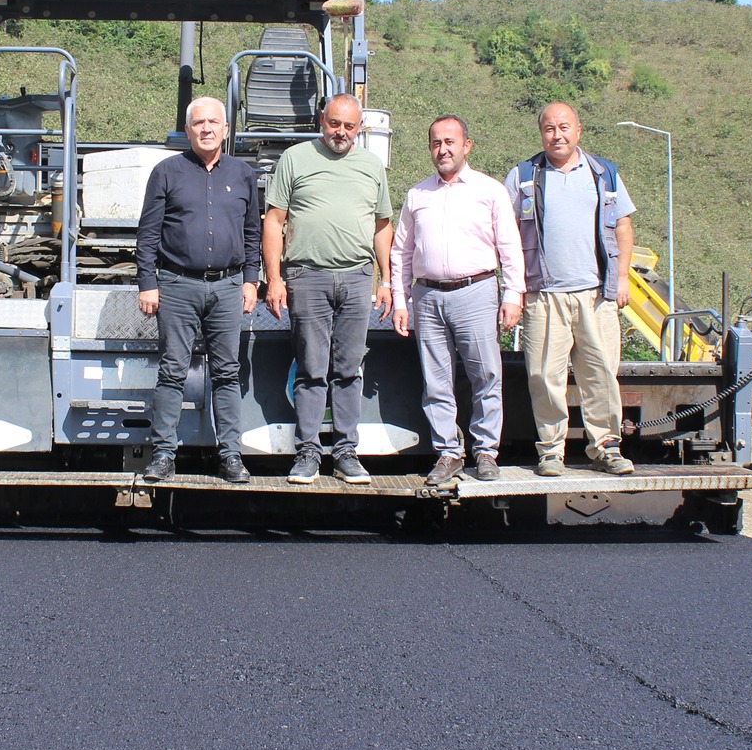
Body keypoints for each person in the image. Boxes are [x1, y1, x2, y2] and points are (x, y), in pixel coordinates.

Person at [262, 94, 395, 485]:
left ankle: (346, 453)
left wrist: (386, 280)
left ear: (360, 128)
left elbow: (382, 225)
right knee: (310, 369)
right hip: (308, 277)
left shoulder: (371, 166)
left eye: (349, 126)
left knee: (348, 370)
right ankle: (307, 453)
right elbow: (274, 221)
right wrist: (275, 278)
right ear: (323, 120)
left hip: (357, 279)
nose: (340, 132)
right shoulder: (296, 158)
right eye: (334, 123)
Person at [502, 102, 637, 477]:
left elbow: (623, 227)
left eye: (564, 127)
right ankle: (550, 451)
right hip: (543, 297)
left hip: (595, 295)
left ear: (578, 130)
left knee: (601, 374)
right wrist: (514, 289)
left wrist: (622, 277)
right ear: (540, 133)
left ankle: (606, 447)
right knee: (545, 376)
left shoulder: (603, 173)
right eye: (549, 128)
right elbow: (504, 230)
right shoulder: (524, 175)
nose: (557, 135)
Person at [391, 115, 525, 486]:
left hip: (476, 291)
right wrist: (401, 301)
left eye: (450, 142)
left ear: (466, 146)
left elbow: (510, 246)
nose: (443, 149)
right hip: (428, 295)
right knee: (436, 381)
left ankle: (485, 452)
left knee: (485, 374)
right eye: (436, 143)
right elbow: (400, 252)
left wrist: (513, 294)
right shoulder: (418, 195)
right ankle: (448, 452)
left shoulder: (490, 190)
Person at [135, 96, 260, 484]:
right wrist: (148, 283)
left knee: (227, 373)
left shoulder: (243, 174)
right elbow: (148, 233)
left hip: (227, 286)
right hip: (176, 285)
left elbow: (252, 232)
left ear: (225, 129)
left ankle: (231, 457)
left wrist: (251, 279)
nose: (206, 128)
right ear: (187, 130)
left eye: (213, 122)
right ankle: (163, 455)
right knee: (172, 371)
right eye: (198, 123)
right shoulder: (167, 172)